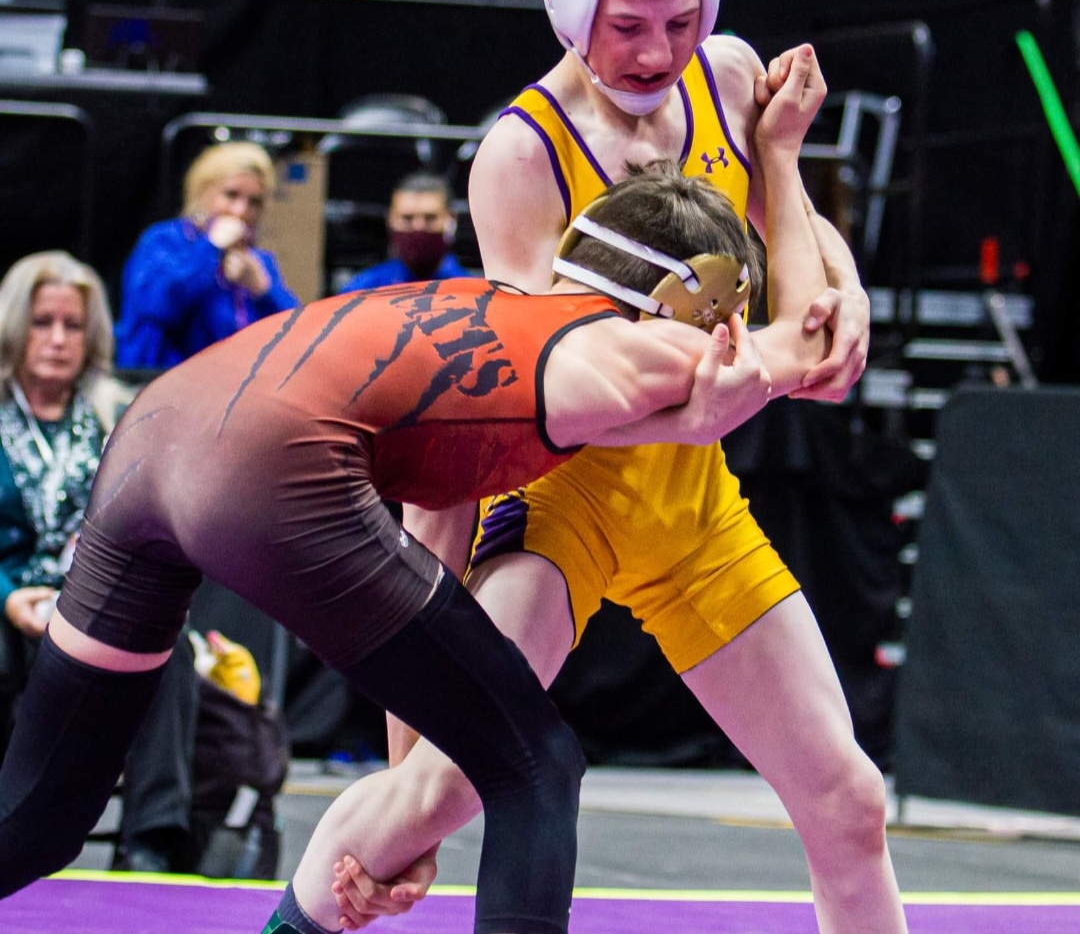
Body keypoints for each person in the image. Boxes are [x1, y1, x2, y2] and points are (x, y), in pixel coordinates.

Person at [0, 153, 826, 934]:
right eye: (730, 309)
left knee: (45, 809)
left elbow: (426, 556)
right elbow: (814, 344)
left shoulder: (483, 319)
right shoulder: (627, 343)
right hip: (266, 468)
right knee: (538, 766)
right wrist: (781, 158)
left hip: (150, 438)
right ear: (702, 299)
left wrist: (408, 796)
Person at [329, 0, 908, 934]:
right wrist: (409, 775)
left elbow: (776, 223)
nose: (655, 53)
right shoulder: (521, 156)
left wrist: (844, 274)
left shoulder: (727, 75)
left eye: (679, 21)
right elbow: (530, 395)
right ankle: (310, 909)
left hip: (693, 502)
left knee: (850, 804)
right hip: (563, 500)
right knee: (432, 792)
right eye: (628, 25)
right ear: (568, 2)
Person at [0, 250, 200, 873]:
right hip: (8, 604)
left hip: (94, 599)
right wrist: (7, 594)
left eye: (73, 325)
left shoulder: (121, 413)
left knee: (174, 653)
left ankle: (153, 840)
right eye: (43, 322)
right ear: (13, 328)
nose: (59, 339)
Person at [114, 141, 298, 372]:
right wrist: (211, 247)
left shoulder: (258, 262)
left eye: (254, 202)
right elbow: (161, 306)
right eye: (231, 195)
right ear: (203, 192)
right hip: (159, 388)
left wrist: (263, 290)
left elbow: (297, 337)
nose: (241, 211)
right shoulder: (163, 242)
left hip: (231, 395)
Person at [338, 172, 471, 291]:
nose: (418, 227)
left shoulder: (471, 293)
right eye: (407, 218)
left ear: (451, 219)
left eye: (430, 218)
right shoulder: (360, 292)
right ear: (390, 220)